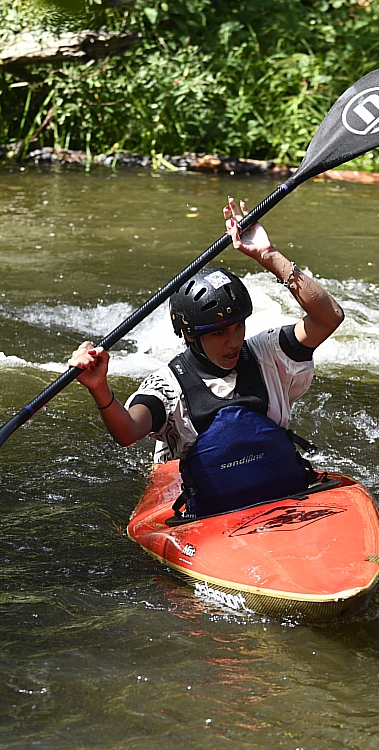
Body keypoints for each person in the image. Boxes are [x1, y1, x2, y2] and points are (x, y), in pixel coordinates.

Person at [68, 196, 344, 516]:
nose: (233, 341)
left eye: (238, 326)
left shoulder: (268, 353)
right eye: (218, 333)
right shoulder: (168, 387)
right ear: (190, 335)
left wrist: (268, 255)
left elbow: (329, 318)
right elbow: (128, 431)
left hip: (283, 492)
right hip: (211, 513)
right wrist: (99, 387)